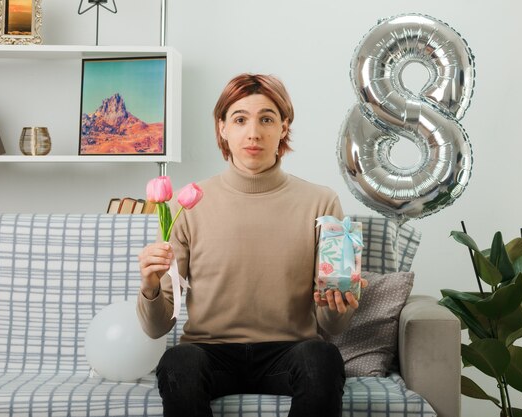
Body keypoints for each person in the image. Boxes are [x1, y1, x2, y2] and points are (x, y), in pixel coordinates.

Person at [137, 73, 366, 417]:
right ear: (222, 128)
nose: (253, 133)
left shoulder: (321, 201)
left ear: (284, 127)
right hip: (209, 354)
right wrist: (150, 288)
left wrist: (337, 305)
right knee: (177, 361)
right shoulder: (185, 206)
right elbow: (157, 327)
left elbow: (333, 327)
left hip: (290, 353)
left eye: (267, 119)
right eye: (240, 119)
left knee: (323, 357)